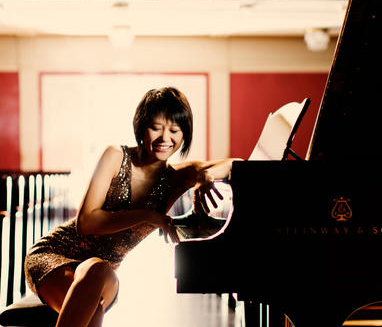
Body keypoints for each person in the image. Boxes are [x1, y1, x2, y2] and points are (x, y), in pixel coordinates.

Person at [24, 87, 239, 327]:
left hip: (103, 275)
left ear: (184, 135)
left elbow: (237, 164)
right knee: (92, 302)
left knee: (97, 271)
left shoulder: (176, 177)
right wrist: (149, 216)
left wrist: (203, 177)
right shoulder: (116, 156)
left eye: (174, 130)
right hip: (55, 256)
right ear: (141, 126)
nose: (164, 138)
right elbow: (87, 223)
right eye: (155, 128)